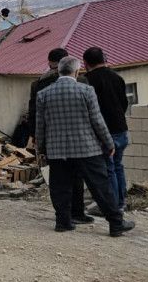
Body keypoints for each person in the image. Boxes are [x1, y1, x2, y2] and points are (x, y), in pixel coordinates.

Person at [35, 56, 134, 237]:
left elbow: (40, 125)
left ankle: (63, 222)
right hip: (87, 148)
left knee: (60, 187)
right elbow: (97, 121)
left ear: (58, 71)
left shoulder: (44, 94)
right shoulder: (86, 90)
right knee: (100, 186)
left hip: (57, 150)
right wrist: (108, 142)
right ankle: (116, 223)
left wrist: (40, 149)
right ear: (77, 71)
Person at [27, 47, 88, 224]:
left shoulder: (39, 84)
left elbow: (34, 114)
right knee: (77, 176)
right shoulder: (81, 81)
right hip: (78, 138)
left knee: (58, 179)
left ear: (49, 63)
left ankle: (63, 217)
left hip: (52, 139)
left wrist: (36, 138)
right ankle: (78, 213)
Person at [82, 46, 130, 211]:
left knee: (108, 169)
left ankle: (112, 206)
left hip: (104, 132)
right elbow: (124, 103)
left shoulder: (87, 81)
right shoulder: (117, 77)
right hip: (121, 129)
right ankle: (121, 202)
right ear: (104, 59)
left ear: (85, 63)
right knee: (117, 166)